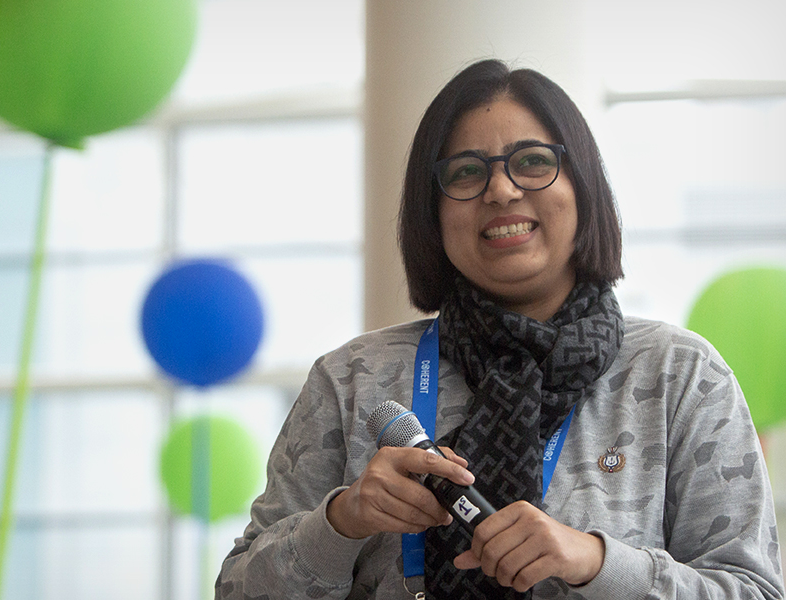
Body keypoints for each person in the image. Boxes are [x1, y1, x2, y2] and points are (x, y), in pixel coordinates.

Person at [214, 59, 784, 600]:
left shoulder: (679, 374)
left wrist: (596, 561)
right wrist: (339, 523)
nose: (501, 190)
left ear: (582, 186)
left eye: (533, 161)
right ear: (431, 213)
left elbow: (754, 590)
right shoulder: (352, 381)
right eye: (466, 171)